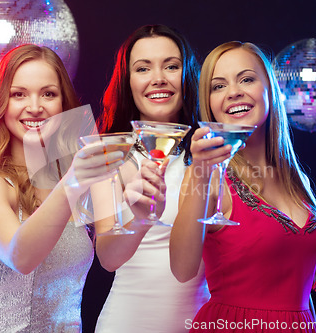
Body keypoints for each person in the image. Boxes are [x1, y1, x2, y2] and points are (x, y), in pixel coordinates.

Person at [0, 44, 124, 332]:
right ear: (1, 103)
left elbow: (113, 258)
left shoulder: (71, 178)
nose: (35, 106)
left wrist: (142, 206)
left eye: (48, 94)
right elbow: (22, 257)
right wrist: (73, 180)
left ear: (64, 105)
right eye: (19, 94)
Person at [169, 41, 316, 332]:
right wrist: (202, 175)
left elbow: (300, 291)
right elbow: (182, 269)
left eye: (246, 79)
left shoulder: (298, 180)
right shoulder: (210, 178)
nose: (233, 92)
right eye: (218, 86)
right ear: (210, 105)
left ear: (269, 90)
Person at [92, 25, 210, 332]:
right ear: (127, 81)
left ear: (188, 77)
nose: (159, 78)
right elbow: (107, 258)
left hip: (205, 322)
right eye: (143, 68)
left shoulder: (209, 151)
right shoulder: (110, 154)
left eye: (171, 66)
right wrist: (141, 220)